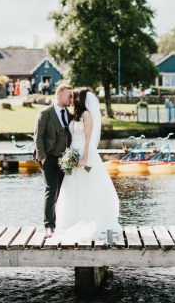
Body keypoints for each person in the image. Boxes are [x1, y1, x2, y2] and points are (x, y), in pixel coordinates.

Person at [50, 87, 121, 243]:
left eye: (74, 96)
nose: (71, 98)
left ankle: (89, 219)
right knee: (72, 188)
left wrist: (84, 158)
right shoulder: (75, 116)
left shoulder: (87, 115)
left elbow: (88, 139)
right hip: (72, 152)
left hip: (84, 153)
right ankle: (71, 222)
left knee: (87, 187)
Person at [34, 84, 73, 238]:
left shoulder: (70, 114)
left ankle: (62, 223)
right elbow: (38, 137)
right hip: (49, 158)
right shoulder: (45, 113)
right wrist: (43, 158)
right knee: (51, 191)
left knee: (64, 191)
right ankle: (49, 226)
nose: (71, 99)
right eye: (69, 95)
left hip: (66, 160)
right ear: (60, 95)